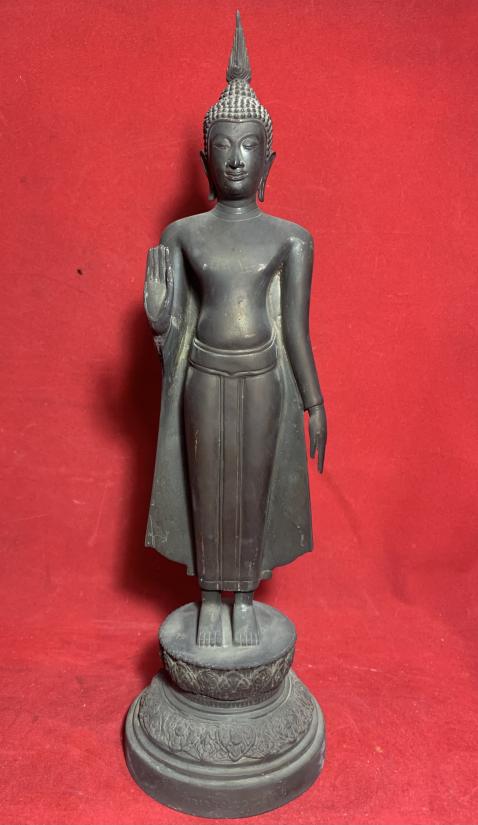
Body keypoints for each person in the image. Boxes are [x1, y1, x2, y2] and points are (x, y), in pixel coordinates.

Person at [144, 12, 327, 647]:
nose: (236, 158)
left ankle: (243, 597)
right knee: (206, 484)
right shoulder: (183, 235)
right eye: (223, 146)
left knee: (251, 487)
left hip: (263, 378)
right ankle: (207, 597)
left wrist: (314, 403)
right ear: (206, 158)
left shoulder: (290, 239)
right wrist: (159, 323)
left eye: (248, 145)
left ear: (268, 156)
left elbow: (295, 328)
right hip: (202, 372)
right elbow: (171, 338)